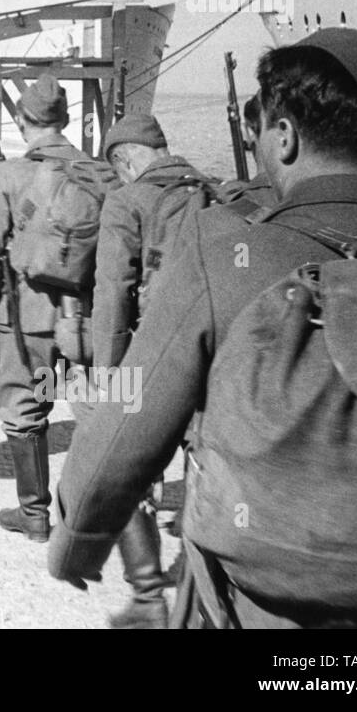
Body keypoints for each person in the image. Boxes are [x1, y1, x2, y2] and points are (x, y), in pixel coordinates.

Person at [47, 30, 357, 627]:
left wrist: (77, 534)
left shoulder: (221, 248)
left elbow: (127, 417)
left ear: (283, 136)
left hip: (263, 602)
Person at [0, 73, 114, 542]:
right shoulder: (103, 174)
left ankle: (34, 516)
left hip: (25, 320)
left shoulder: (8, 175)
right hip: (87, 319)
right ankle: (107, 512)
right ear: (67, 120)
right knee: (97, 407)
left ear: (21, 119)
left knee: (25, 407)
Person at [89, 113, 216, 628]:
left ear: (124, 160)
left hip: (153, 351)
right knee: (204, 464)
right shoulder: (214, 191)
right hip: (213, 347)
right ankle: (200, 591)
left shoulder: (127, 200)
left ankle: (147, 596)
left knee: (127, 465)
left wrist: (108, 374)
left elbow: (113, 294)